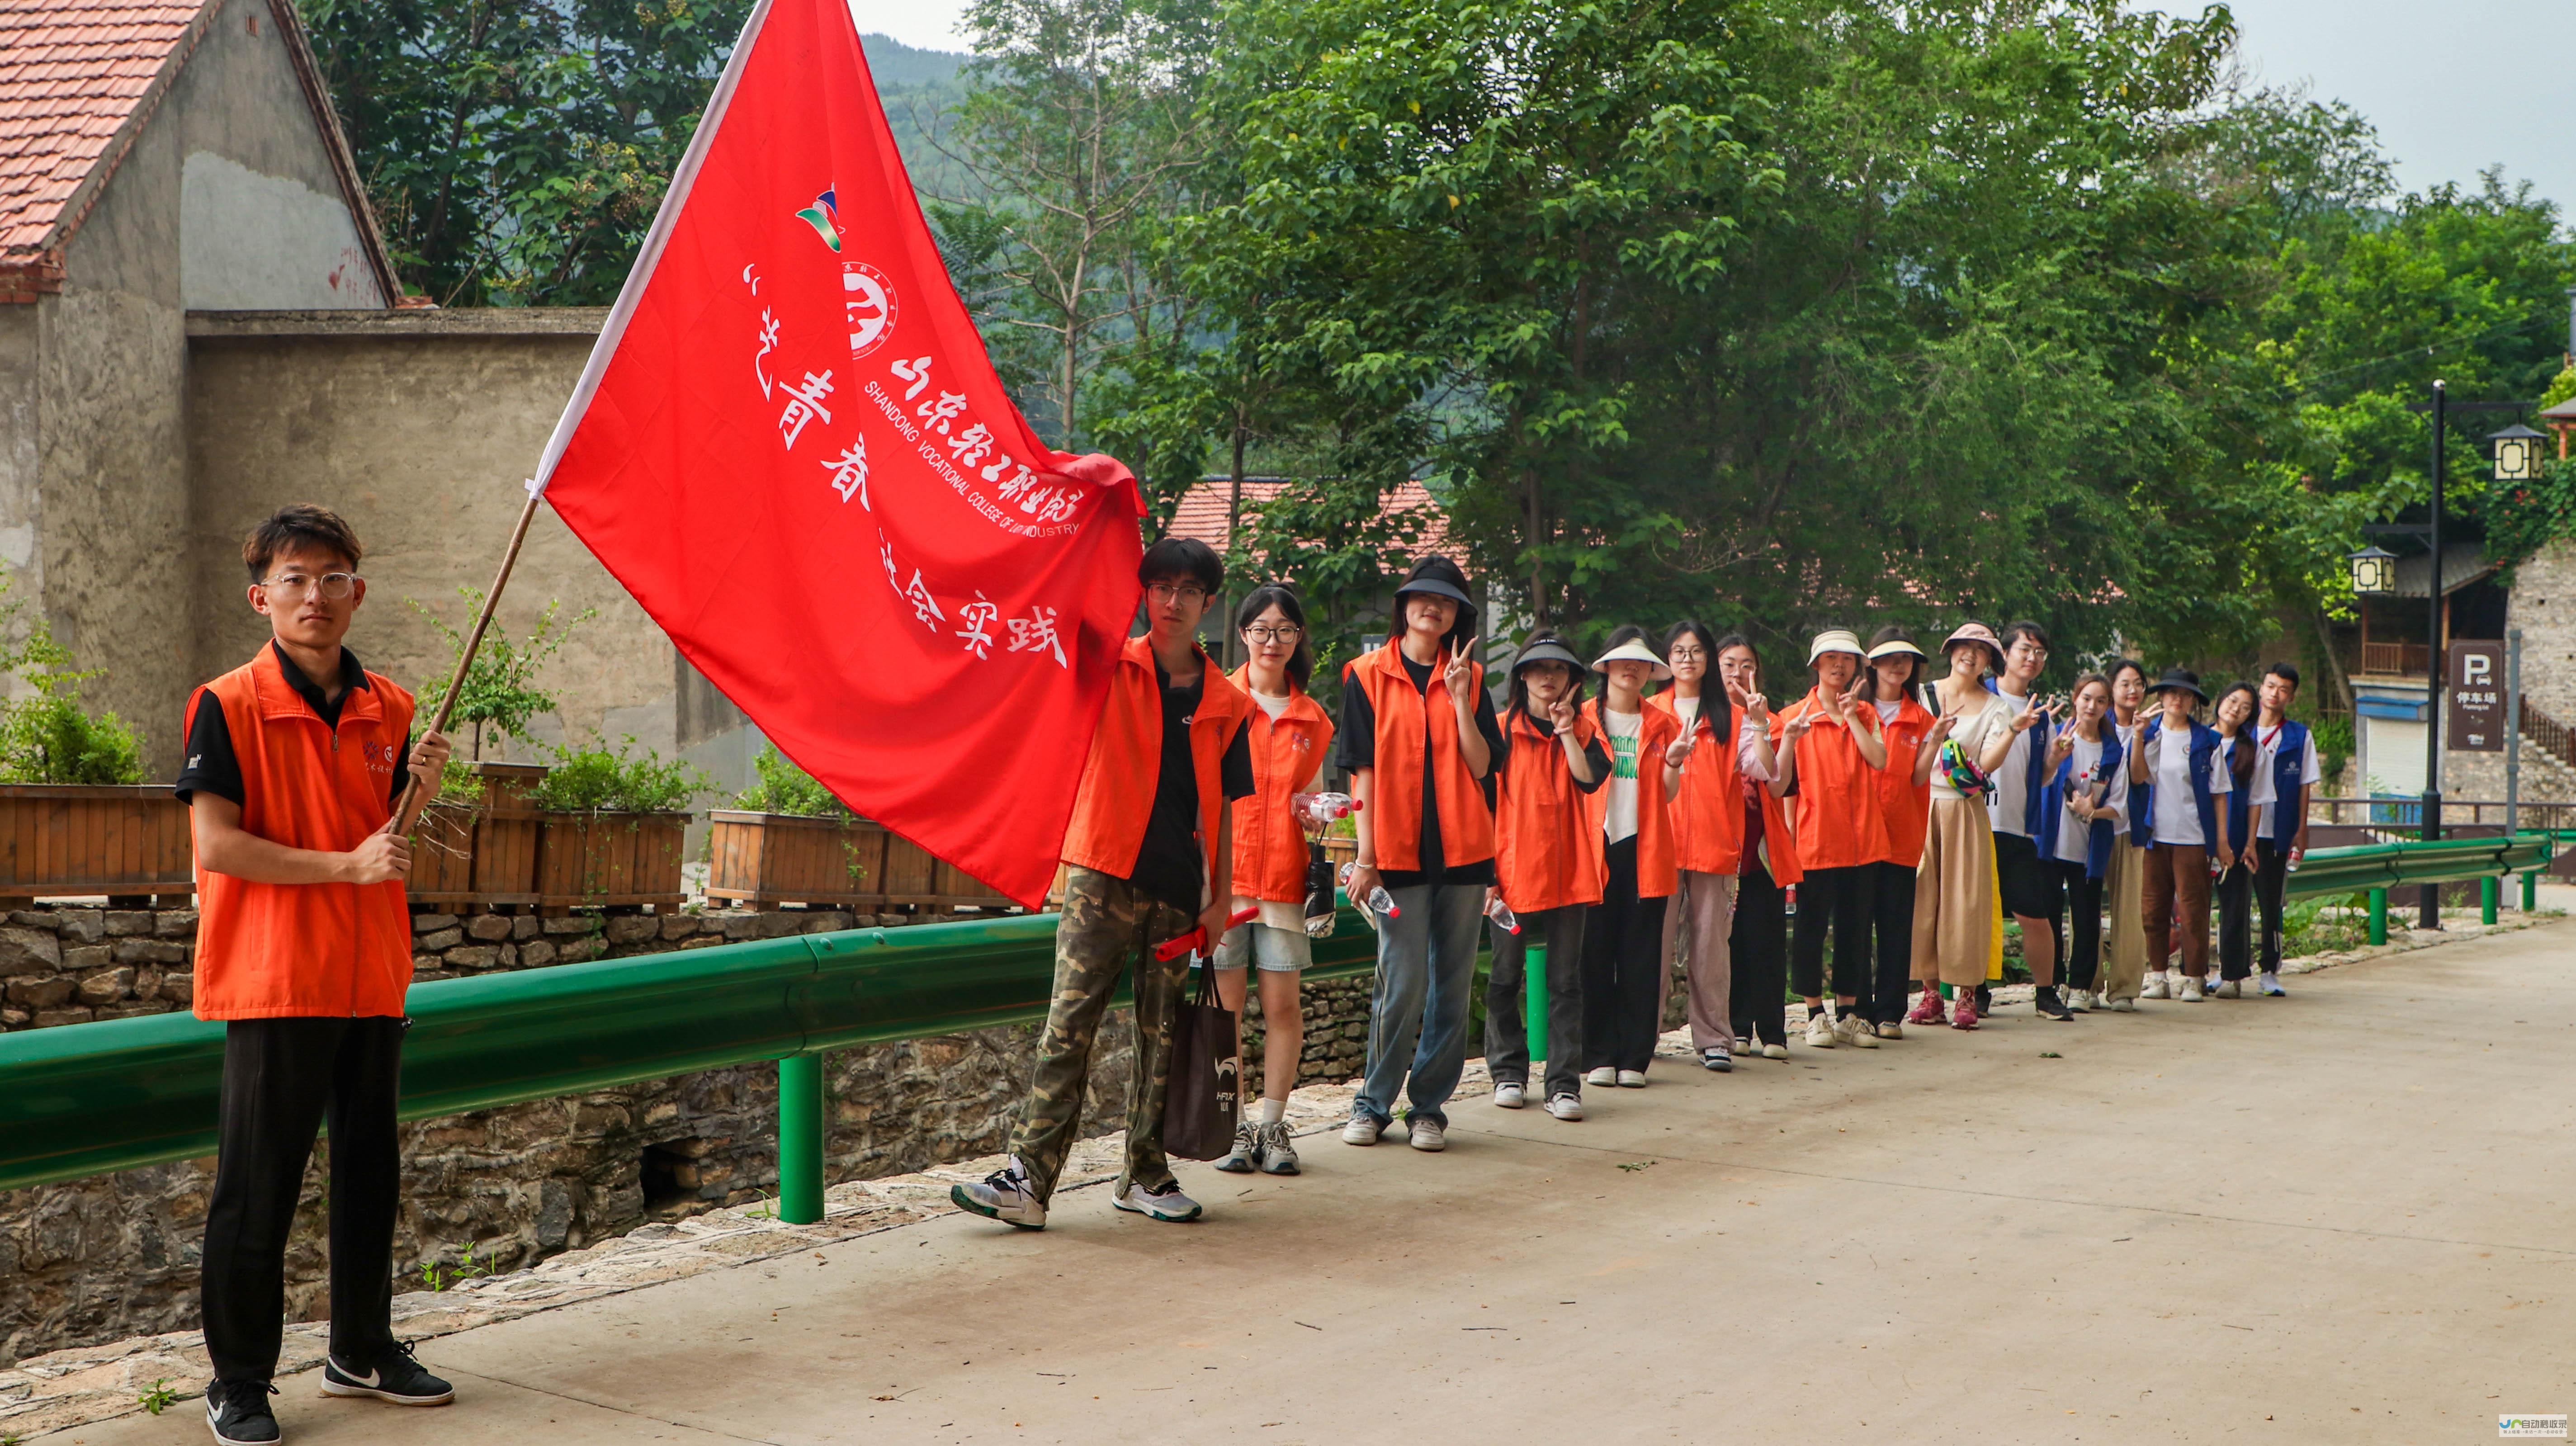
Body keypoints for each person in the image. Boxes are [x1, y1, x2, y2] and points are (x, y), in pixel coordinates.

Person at [179, 506, 456, 1446]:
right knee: (258, 1187)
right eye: (295, 580)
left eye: (332, 579)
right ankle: (240, 1382)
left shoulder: (395, 706)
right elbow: (217, 845)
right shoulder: (228, 704)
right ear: (262, 596)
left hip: (370, 971)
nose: (315, 597)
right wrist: (345, 867)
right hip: (275, 975)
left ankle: (362, 1349)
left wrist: (419, 791)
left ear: (357, 592)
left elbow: (388, 842)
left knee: (370, 1174)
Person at [954, 537, 1253, 1230]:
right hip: (1100, 872)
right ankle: (1028, 1178)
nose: (1172, 602)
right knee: (1069, 1027)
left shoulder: (1228, 703)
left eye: (1188, 591)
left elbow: (1228, 811)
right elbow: (1061, 609)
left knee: (1163, 1038)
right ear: (1143, 594)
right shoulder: (1107, 664)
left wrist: (1218, 899)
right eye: (1160, 587)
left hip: (1179, 889)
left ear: (1209, 604)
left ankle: (1144, 1173)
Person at [1337, 556, 1504, 1153]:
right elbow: (1361, 770)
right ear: (1403, 605)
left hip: (1463, 855)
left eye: (1446, 600)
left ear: (1459, 613)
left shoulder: (1474, 677)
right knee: (1401, 981)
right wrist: (1366, 856)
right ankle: (1372, 1103)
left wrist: (1460, 697)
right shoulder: (1365, 673)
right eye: (1421, 597)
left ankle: (1429, 1108)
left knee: (1452, 986)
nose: (1431, 607)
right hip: (1395, 857)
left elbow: (1483, 765)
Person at [1211, 585, 1334, 1176]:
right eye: (1261, 628)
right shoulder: (1219, 701)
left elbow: (1307, 796)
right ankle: (1232, 1125)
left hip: (1285, 877)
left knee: (1283, 1004)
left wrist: (1315, 811)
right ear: (1242, 634)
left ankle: (1273, 1124)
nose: (1272, 640)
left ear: (1297, 638)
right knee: (1225, 1008)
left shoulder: (1314, 718)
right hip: (1223, 878)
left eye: (1284, 629)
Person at [1484, 632, 1610, 1120]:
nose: (1549, 678)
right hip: (1511, 874)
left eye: (1559, 671)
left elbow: (1589, 780)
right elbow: (1483, 806)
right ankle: (1509, 1073)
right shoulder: (1497, 730)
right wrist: (1487, 876)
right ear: (1522, 677)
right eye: (1539, 670)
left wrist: (1564, 731)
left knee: (1565, 981)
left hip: (1569, 871)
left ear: (1574, 682)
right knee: (1502, 976)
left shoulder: (1582, 732)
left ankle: (1563, 1084)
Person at [1650, 621, 1781, 1071]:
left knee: (1711, 949)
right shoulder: (1652, 712)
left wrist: (1762, 723)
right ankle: (1639, 1037)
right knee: (1653, 946)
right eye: (1680, 651)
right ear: (1666, 659)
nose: (1688, 659)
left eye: (1697, 651)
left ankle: (1714, 1039)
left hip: (1714, 845)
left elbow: (1764, 771)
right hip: (1659, 848)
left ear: (1708, 660)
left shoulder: (1732, 715)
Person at [1579, 628, 1684, 1087]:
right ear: (1605, 667)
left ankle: (1634, 1059)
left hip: (1645, 846)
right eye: (1623, 661)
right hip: (1593, 845)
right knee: (1594, 953)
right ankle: (1597, 1054)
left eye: (1640, 663)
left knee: (1641, 957)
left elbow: (1667, 794)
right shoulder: (1581, 719)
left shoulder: (1663, 724)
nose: (1632, 669)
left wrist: (1676, 763)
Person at [1908, 624, 2021, 1030]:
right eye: (1963, 648)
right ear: (1950, 651)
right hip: (1922, 806)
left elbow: (1987, 765)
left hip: (1966, 808)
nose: (1969, 656)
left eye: (1980, 650)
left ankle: (1967, 996)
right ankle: (1931, 994)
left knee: (1966, 902)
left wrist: (2011, 732)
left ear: (1989, 661)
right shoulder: (1923, 694)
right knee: (1924, 900)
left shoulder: (1996, 707)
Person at [1717, 637, 1803, 1059]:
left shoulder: (1770, 720)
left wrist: (1775, 733)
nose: (1737, 672)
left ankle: (1773, 1031)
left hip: (1764, 853)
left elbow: (1782, 784)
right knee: (1728, 944)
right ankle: (1735, 1028)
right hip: (1722, 851)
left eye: (1746, 664)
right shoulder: (1708, 721)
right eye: (1729, 663)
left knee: (1766, 941)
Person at [1987, 622, 2076, 1021]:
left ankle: (2045, 993)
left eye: (2039, 653)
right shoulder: (1980, 696)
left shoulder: (2042, 716)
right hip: (1975, 822)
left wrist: (2055, 759)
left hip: (2016, 827)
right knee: (1974, 914)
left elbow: (2038, 778)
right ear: (2004, 653)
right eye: (2024, 649)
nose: (2031, 658)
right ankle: (1973, 991)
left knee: (2035, 916)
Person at [2129, 668, 2232, 1002]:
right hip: (2152, 835)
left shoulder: (2206, 740)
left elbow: (2219, 794)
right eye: (2171, 692)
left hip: (2191, 835)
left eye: (2185, 694)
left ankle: (2193, 977)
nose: (2177, 699)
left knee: (2193, 910)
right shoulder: (2148, 733)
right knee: (2152, 908)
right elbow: (2137, 777)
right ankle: (2157, 976)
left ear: (2193, 701)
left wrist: (2220, 840)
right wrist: (2139, 737)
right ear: (2160, 697)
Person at [1858, 629, 1940, 1038]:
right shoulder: (1852, 709)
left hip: (1901, 834)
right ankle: (1853, 1009)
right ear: (1871, 662)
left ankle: (1889, 1012)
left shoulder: (1921, 718)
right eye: (1889, 657)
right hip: (1854, 835)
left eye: (1906, 659)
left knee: (1894, 926)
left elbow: (1919, 777)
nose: (1898, 665)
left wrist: (1936, 740)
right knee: (1856, 925)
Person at [2038, 674, 2127, 1012]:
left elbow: (2118, 805)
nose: (2092, 706)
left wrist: (2093, 810)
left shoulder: (2112, 750)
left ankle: (2080, 986)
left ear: (2107, 707)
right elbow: (2041, 777)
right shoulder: (2057, 735)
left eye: (2100, 701)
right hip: (2050, 843)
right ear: (2075, 698)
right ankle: (2053, 983)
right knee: (2047, 916)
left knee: (2087, 918)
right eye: (2086, 698)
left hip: (2088, 847)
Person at [2248, 663, 2319, 997]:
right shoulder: (2238, 729)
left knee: (2270, 903)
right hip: (2238, 832)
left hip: (2276, 831)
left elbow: (2305, 785)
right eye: (2270, 686)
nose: (2274, 694)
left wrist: (2300, 830)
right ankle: (2228, 969)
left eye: (2282, 689)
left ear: (2291, 697)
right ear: (2260, 688)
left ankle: (2269, 970)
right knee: (2232, 902)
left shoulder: (2298, 736)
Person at [2094, 659, 2155, 1011]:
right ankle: (2086, 983)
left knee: (2127, 913)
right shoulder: (2093, 726)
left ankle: (2124, 988)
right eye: (2125, 684)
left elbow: (2138, 776)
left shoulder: (2151, 730)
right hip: (2092, 827)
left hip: (2128, 829)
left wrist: (2138, 736)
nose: (2132, 691)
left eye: (2138, 684)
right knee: (2087, 909)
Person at [2207, 682, 2263, 997]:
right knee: (2193, 907)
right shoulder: (2199, 740)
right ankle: (2194, 974)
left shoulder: (2251, 751)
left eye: (2244, 707)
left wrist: (2250, 843)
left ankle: (2231, 975)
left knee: (2234, 908)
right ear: (2220, 700)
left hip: (2238, 837)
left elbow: (2257, 799)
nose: (2235, 709)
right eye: (2232, 701)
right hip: (2198, 838)